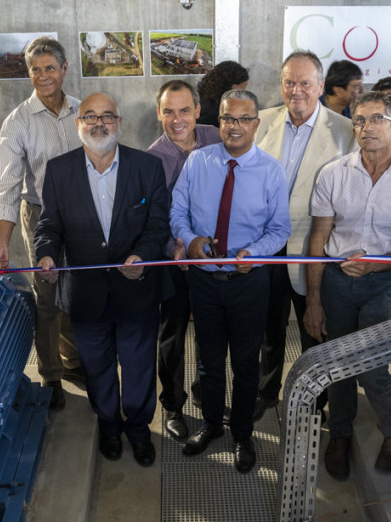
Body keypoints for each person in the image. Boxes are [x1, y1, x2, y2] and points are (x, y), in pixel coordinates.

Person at [303, 91, 391, 481]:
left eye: (377, 119)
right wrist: (313, 299)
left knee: (372, 363)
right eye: (360, 120)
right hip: (334, 281)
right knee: (337, 362)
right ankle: (340, 435)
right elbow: (318, 240)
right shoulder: (333, 174)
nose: (367, 127)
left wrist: (378, 263)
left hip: (382, 285)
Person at [35, 92, 170, 468]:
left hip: (137, 290)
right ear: (78, 125)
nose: (99, 123)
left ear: (120, 123)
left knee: (140, 365)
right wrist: (45, 254)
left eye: (107, 116)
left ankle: (140, 430)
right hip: (86, 295)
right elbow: (49, 226)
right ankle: (109, 426)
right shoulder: (59, 170)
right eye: (90, 116)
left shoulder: (147, 167)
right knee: (96, 367)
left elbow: (158, 225)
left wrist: (142, 256)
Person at [171, 89, 290, 473]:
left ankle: (242, 433)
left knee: (244, 364)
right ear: (217, 121)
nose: (234, 127)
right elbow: (178, 212)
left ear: (256, 123)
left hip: (248, 283)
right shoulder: (197, 162)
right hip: (204, 282)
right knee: (207, 361)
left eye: (243, 119)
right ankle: (210, 426)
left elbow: (280, 229)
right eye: (227, 118)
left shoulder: (271, 171)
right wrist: (190, 241)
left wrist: (255, 254)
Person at [254, 51, 358, 421]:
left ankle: (313, 402)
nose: (296, 91)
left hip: (316, 249)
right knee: (269, 325)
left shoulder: (345, 132)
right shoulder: (262, 121)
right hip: (266, 246)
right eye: (288, 82)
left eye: (304, 83)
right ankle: (265, 392)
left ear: (320, 86)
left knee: (315, 327)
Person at [0, 37, 81, 411]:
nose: (43, 76)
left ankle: (74, 363)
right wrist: (1, 240)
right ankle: (52, 375)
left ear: (63, 70)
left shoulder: (83, 111)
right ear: (29, 74)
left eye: (50, 68)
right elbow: (8, 185)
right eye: (35, 70)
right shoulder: (18, 122)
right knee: (47, 298)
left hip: (82, 215)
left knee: (78, 288)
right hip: (40, 215)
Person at [146, 80, 220, 441]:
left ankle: (207, 396)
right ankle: (173, 405)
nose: (178, 119)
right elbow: (151, 219)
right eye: (169, 111)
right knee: (172, 335)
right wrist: (173, 248)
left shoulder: (217, 138)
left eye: (185, 110)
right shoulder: (150, 161)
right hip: (173, 262)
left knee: (211, 332)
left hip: (212, 259)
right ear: (158, 113)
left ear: (198, 111)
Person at [197, 60, 250, 126]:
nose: (241, 96)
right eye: (238, 92)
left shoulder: (208, 100)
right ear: (226, 87)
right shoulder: (209, 112)